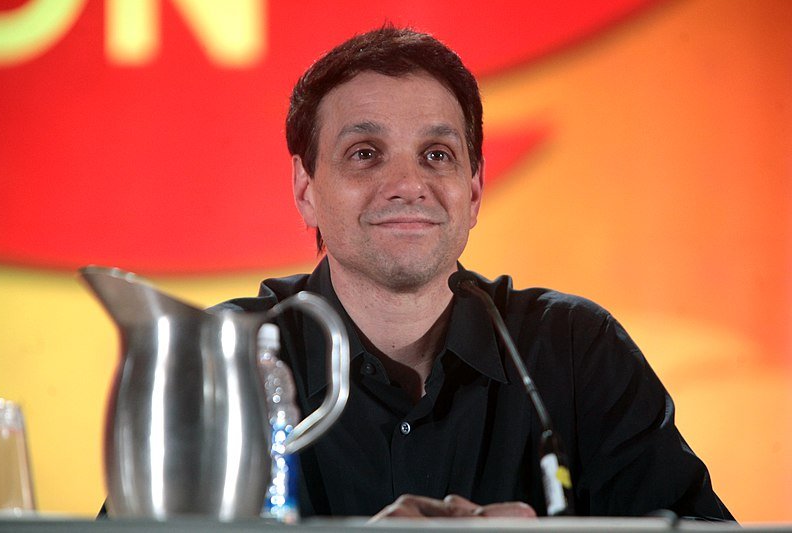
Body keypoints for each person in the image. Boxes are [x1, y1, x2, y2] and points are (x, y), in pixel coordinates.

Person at [218, 26, 734, 521]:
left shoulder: (576, 349)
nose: (407, 184)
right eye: (366, 154)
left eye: (436, 155)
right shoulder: (225, 356)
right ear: (305, 189)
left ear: (473, 190)